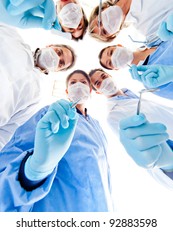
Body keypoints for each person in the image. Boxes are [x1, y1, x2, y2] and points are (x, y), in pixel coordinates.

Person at [0, 70, 113, 212]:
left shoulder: (97, 126)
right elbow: (9, 158)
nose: (78, 85)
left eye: (83, 82)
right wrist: (33, 170)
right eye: (73, 82)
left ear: (90, 90)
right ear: (67, 91)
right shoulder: (50, 115)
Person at [89, 68, 173, 189]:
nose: (104, 81)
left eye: (103, 76)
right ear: (97, 92)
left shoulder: (135, 94)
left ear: (110, 75)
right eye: (98, 83)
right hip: (167, 145)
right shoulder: (113, 115)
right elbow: (136, 145)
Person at [0, 24, 76, 150]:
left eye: (61, 63)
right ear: (50, 46)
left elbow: (7, 132)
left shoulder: (36, 96)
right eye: (59, 52)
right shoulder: (13, 37)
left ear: (57, 70)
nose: (57, 58)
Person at [98, 40, 173, 100]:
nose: (113, 58)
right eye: (110, 63)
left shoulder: (153, 40)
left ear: (119, 46)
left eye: (111, 53)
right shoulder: (150, 79)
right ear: (116, 69)